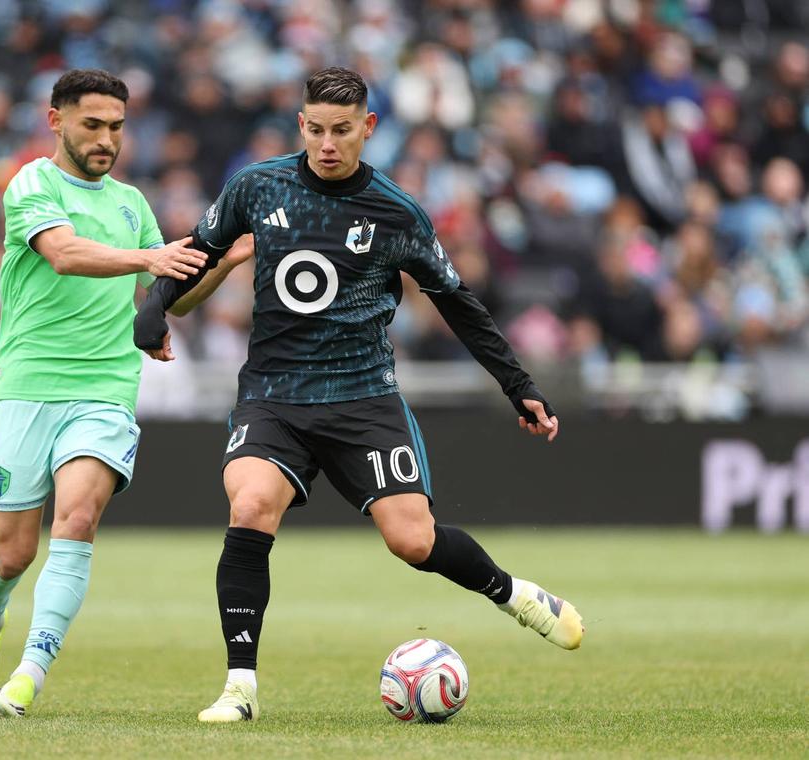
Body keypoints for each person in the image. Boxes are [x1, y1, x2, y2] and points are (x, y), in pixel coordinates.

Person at [134, 67, 584, 723]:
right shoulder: (257, 186)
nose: (326, 143)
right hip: (273, 396)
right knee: (252, 504)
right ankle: (240, 687)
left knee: (413, 542)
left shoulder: (396, 212)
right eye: (315, 129)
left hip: (363, 400)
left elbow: (458, 304)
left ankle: (512, 594)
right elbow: (201, 251)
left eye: (341, 131)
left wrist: (519, 386)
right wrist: (155, 309)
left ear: (367, 128)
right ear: (301, 126)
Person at [0, 68, 224, 719]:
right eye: (93, 125)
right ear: (56, 121)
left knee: (78, 519)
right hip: (22, 387)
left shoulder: (131, 202)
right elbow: (64, 253)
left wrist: (229, 258)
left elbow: (172, 294)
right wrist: (149, 260)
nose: (107, 139)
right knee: (12, 552)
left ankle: (28, 676)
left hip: (103, 390)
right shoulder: (32, 182)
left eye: (116, 127)